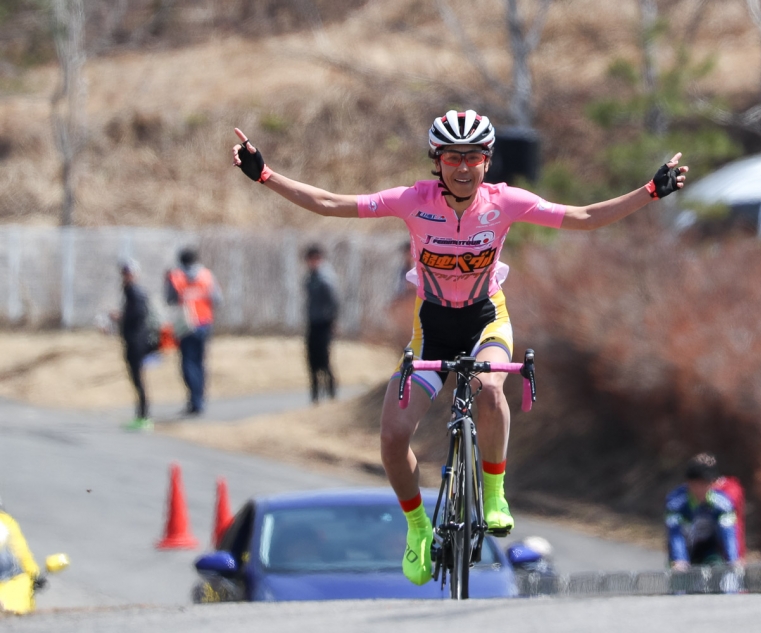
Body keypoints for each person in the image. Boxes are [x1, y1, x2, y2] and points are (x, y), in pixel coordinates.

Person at [231, 109, 688, 585]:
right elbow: (329, 203)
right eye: (453, 157)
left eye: (473, 157)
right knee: (391, 440)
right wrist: (264, 174)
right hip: (431, 327)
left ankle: (493, 493)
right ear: (438, 161)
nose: (463, 167)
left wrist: (651, 191)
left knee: (491, 389)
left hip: (486, 320)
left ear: (487, 162)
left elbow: (585, 217)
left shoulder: (505, 202)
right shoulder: (413, 201)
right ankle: (418, 528)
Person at [165, 247, 222, 417]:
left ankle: (194, 400)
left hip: (186, 324)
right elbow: (218, 299)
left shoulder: (175, 277)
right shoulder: (206, 275)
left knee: (187, 362)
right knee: (200, 361)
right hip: (204, 322)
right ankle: (200, 399)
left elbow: (169, 299)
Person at [665, 453, 741, 571]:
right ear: (688, 483)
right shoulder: (675, 504)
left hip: (710, 550)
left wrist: (733, 560)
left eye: (705, 484)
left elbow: (729, 534)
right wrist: (679, 559)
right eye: (696, 484)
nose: (700, 489)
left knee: (719, 571)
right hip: (685, 549)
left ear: (712, 483)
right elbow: (676, 535)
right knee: (680, 581)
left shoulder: (723, 504)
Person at [110, 258, 153, 432]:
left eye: (128, 273)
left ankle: (144, 416)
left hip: (137, 340)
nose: (125, 276)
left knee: (139, 379)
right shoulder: (130, 292)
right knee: (136, 379)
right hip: (133, 338)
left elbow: (138, 315)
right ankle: (141, 415)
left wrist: (120, 318)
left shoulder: (134, 292)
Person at [303, 244, 339, 402]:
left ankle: (332, 395)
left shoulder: (326, 278)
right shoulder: (309, 278)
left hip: (324, 323)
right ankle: (315, 396)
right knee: (312, 360)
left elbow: (334, 301)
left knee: (325, 360)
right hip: (313, 322)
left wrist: (333, 321)